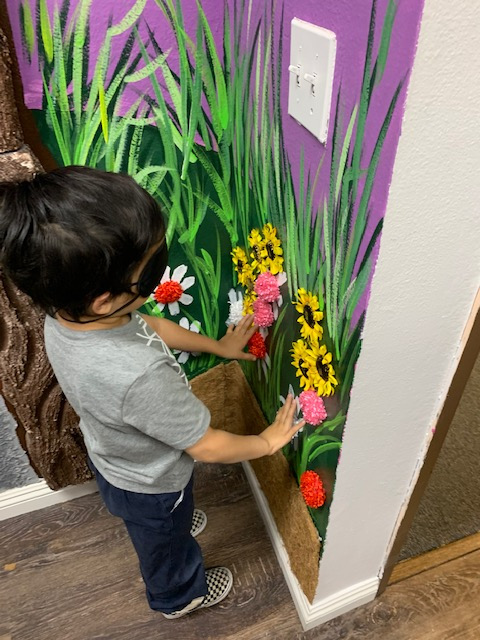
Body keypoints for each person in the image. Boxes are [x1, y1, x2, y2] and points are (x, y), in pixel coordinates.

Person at [0, 166, 304, 619]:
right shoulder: (137, 377)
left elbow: (149, 327)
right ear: (105, 298)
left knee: (161, 522)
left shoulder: (67, 317)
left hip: (115, 460)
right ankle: (178, 597)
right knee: (164, 547)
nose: (162, 265)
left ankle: (169, 526)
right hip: (152, 484)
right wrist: (266, 443)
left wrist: (217, 347)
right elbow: (206, 445)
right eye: (153, 270)